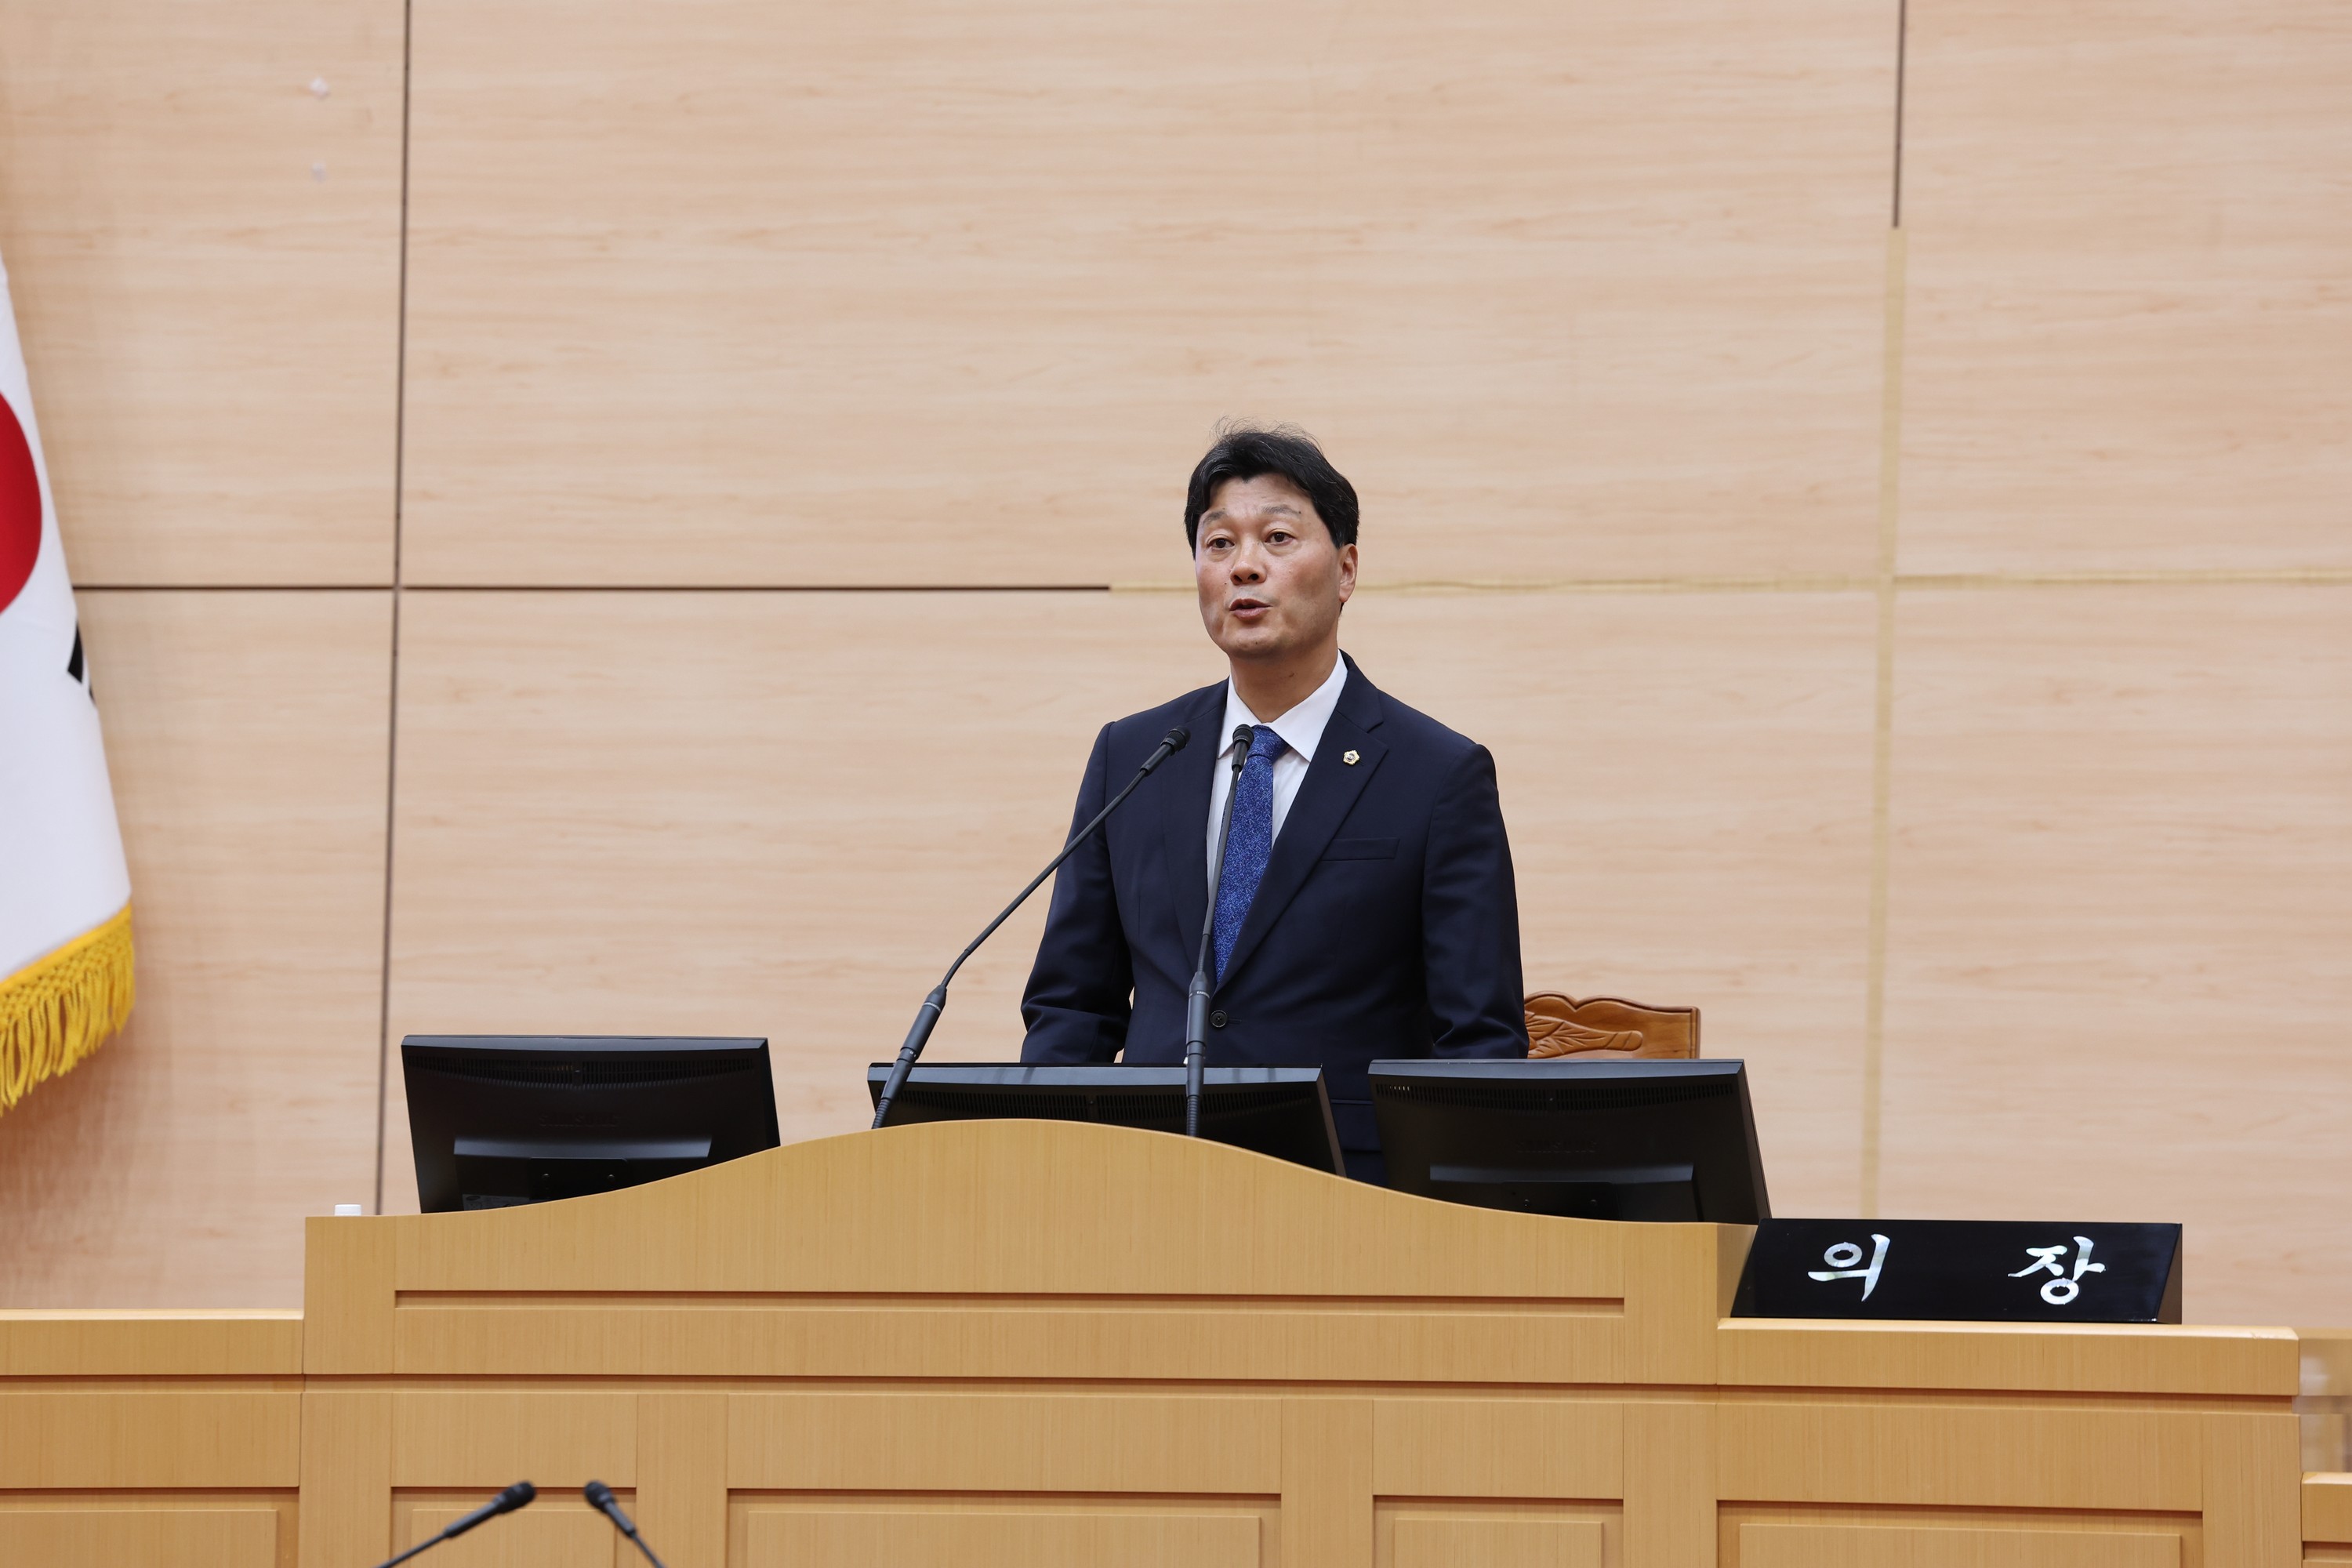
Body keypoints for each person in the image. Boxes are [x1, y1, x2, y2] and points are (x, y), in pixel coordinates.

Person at [1020, 425, 1527, 1181]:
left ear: (1346, 569)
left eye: (1278, 538)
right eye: (1219, 543)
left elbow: (1479, 1041)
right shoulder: (1134, 756)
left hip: (1345, 1192)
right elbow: (1072, 1007)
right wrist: (1050, 1174)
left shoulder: (1437, 774)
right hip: (1145, 1180)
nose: (1244, 566)